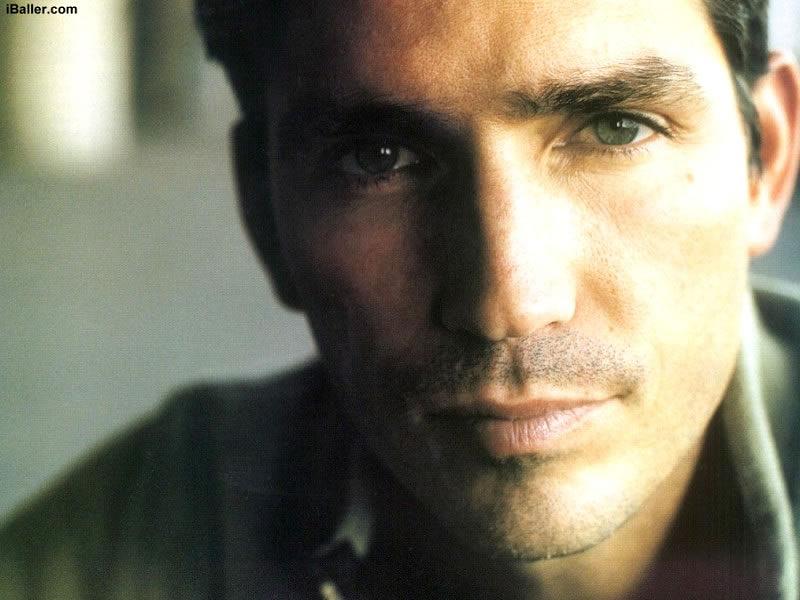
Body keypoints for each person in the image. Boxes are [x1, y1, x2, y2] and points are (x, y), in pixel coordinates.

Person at [2, 0, 800, 598]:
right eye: (378, 159)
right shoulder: (112, 551)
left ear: (765, 159)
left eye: (617, 128)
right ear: (264, 213)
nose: (509, 302)